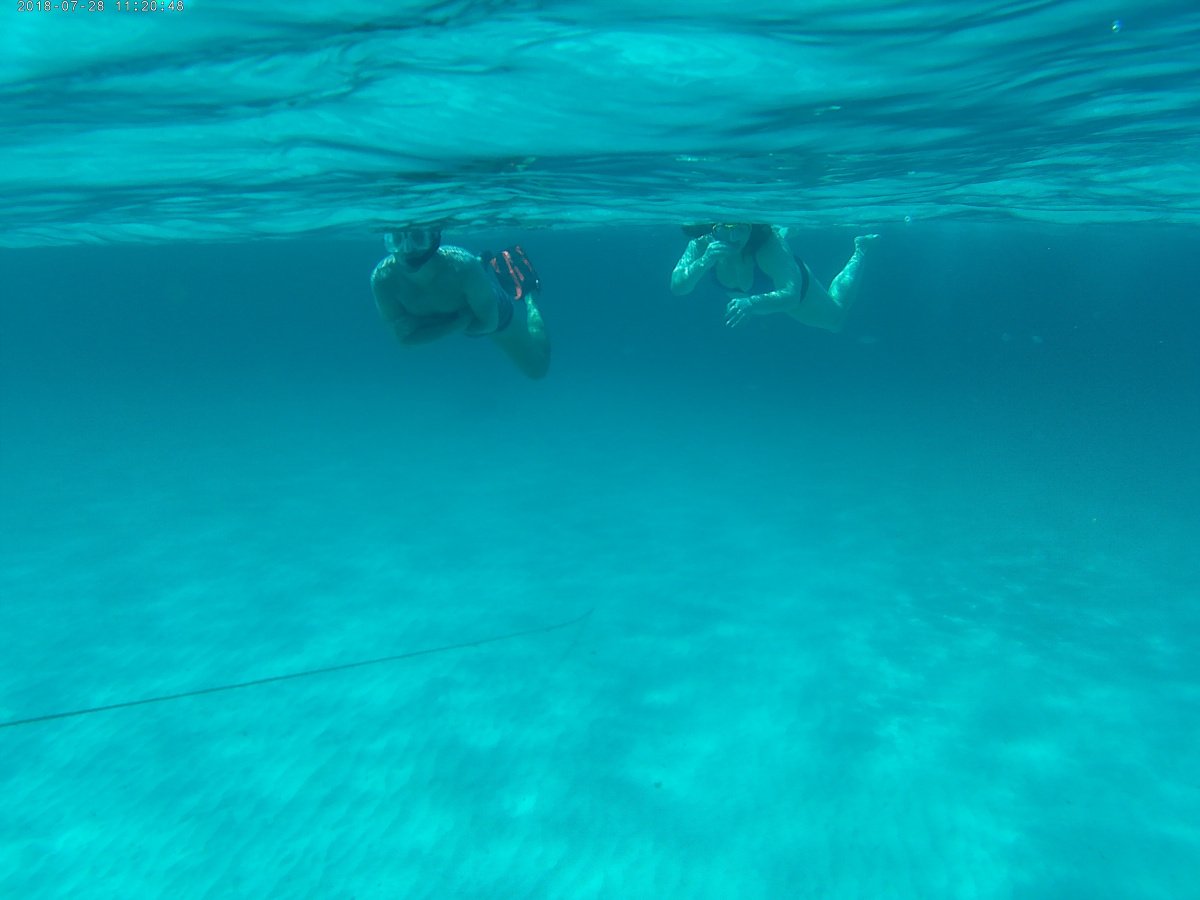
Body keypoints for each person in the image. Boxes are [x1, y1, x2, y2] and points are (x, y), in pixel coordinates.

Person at [370, 226, 550, 379]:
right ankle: (481, 266)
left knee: (537, 370)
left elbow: (487, 324)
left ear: (434, 237)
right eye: (396, 239)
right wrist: (461, 320)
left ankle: (529, 298)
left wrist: (424, 325)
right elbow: (405, 340)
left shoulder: (461, 265)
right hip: (471, 304)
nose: (407, 249)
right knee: (474, 283)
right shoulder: (382, 278)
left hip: (494, 308)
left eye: (418, 238)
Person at [669, 223, 878, 332]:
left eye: (742, 228)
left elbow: (791, 295)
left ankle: (861, 249)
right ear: (713, 227)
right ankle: (784, 230)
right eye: (724, 229)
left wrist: (751, 303)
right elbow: (678, 287)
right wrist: (704, 261)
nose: (734, 238)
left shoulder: (769, 245)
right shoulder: (701, 244)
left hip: (784, 285)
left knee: (836, 321)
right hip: (751, 288)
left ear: (751, 227)